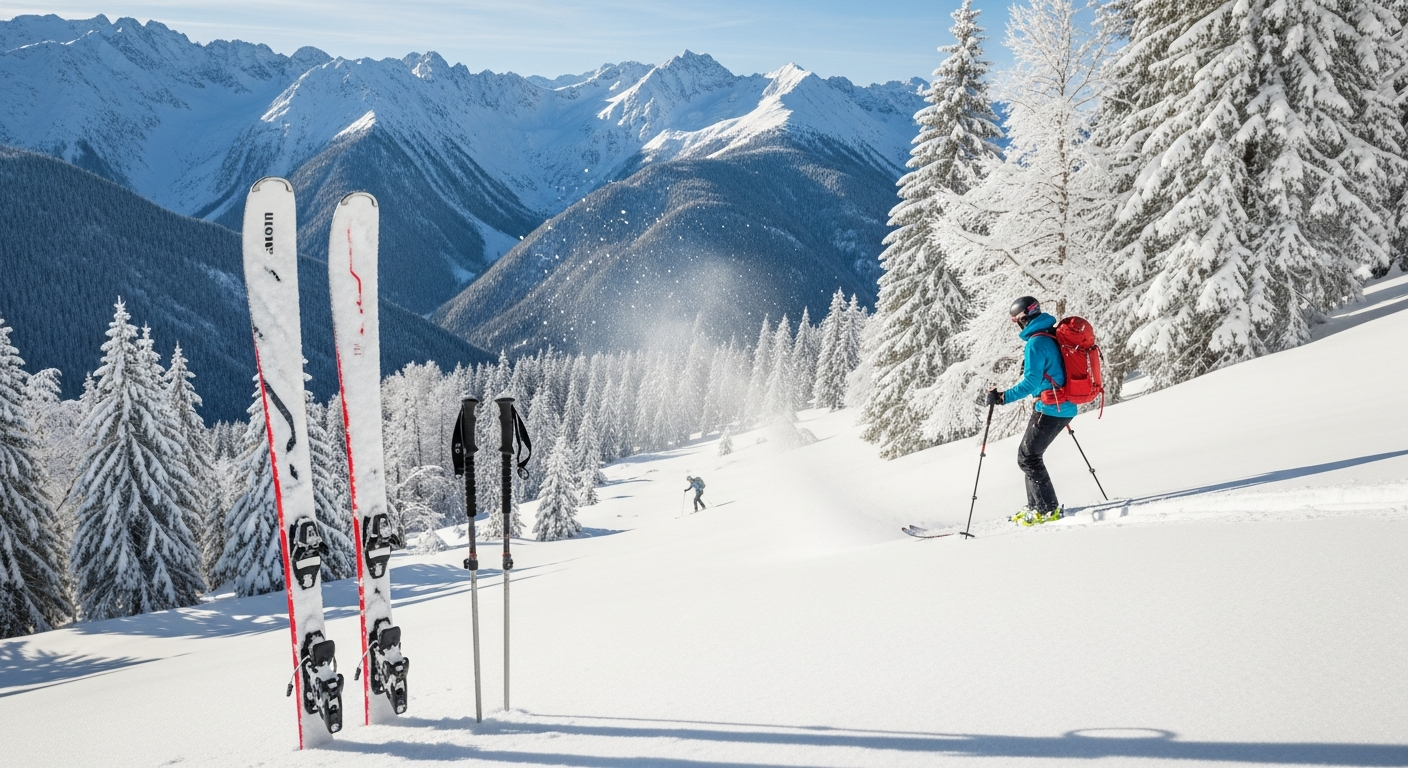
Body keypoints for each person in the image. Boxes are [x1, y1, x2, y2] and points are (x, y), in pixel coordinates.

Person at [985, 296, 1077, 526]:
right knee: (1028, 456)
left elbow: (1031, 383)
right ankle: (1036, 506)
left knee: (1028, 458)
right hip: (1061, 405)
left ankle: (1047, 509)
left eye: (1016, 320)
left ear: (1024, 318)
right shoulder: (1051, 334)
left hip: (1051, 407)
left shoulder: (1036, 343)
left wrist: (1002, 397)